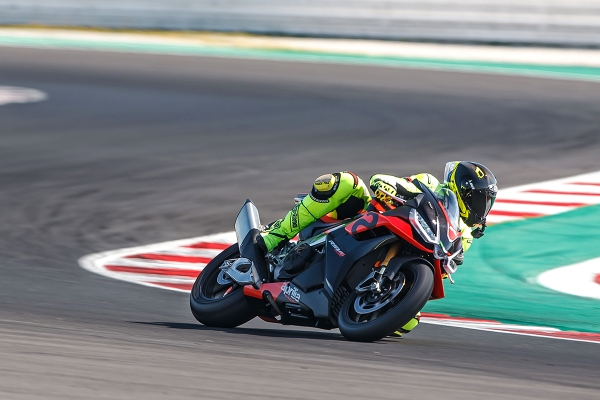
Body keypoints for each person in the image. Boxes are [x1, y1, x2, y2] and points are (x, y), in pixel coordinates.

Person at [256, 161, 498, 335]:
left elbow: (444, 265)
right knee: (344, 183)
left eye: (487, 201)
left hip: (403, 257)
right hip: (372, 221)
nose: (483, 206)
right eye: (480, 198)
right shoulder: (430, 183)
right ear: (463, 190)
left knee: (408, 322)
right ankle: (273, 236)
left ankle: (358, 299)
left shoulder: (465, 235)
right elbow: (386, 181)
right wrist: (391, 187)